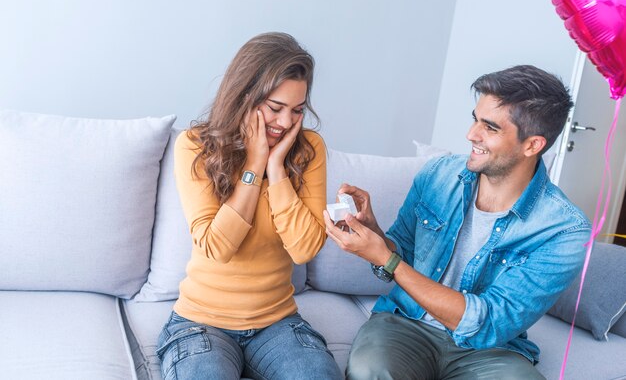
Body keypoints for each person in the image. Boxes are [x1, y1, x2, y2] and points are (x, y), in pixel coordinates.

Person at [324, 65, 591, 380]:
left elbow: (488, 323)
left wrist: (387, 258)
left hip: (491, 350)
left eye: (489, 127)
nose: (471, 135)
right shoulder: (439, 175)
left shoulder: (564, 231)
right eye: (475, 118)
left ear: (532, 145)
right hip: (406, 324)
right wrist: (375, 235)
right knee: (371, 371)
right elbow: (401, 255)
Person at [157, 32, 342, 380]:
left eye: (297, 110)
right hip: (200, 323)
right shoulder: (195, 147)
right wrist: (255, 168)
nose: (286, 122)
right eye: (275, 108)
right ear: (245, 97)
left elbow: (304, 249)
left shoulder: (307, 150)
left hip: (277, 323)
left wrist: (277, 168)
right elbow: (217, 248)